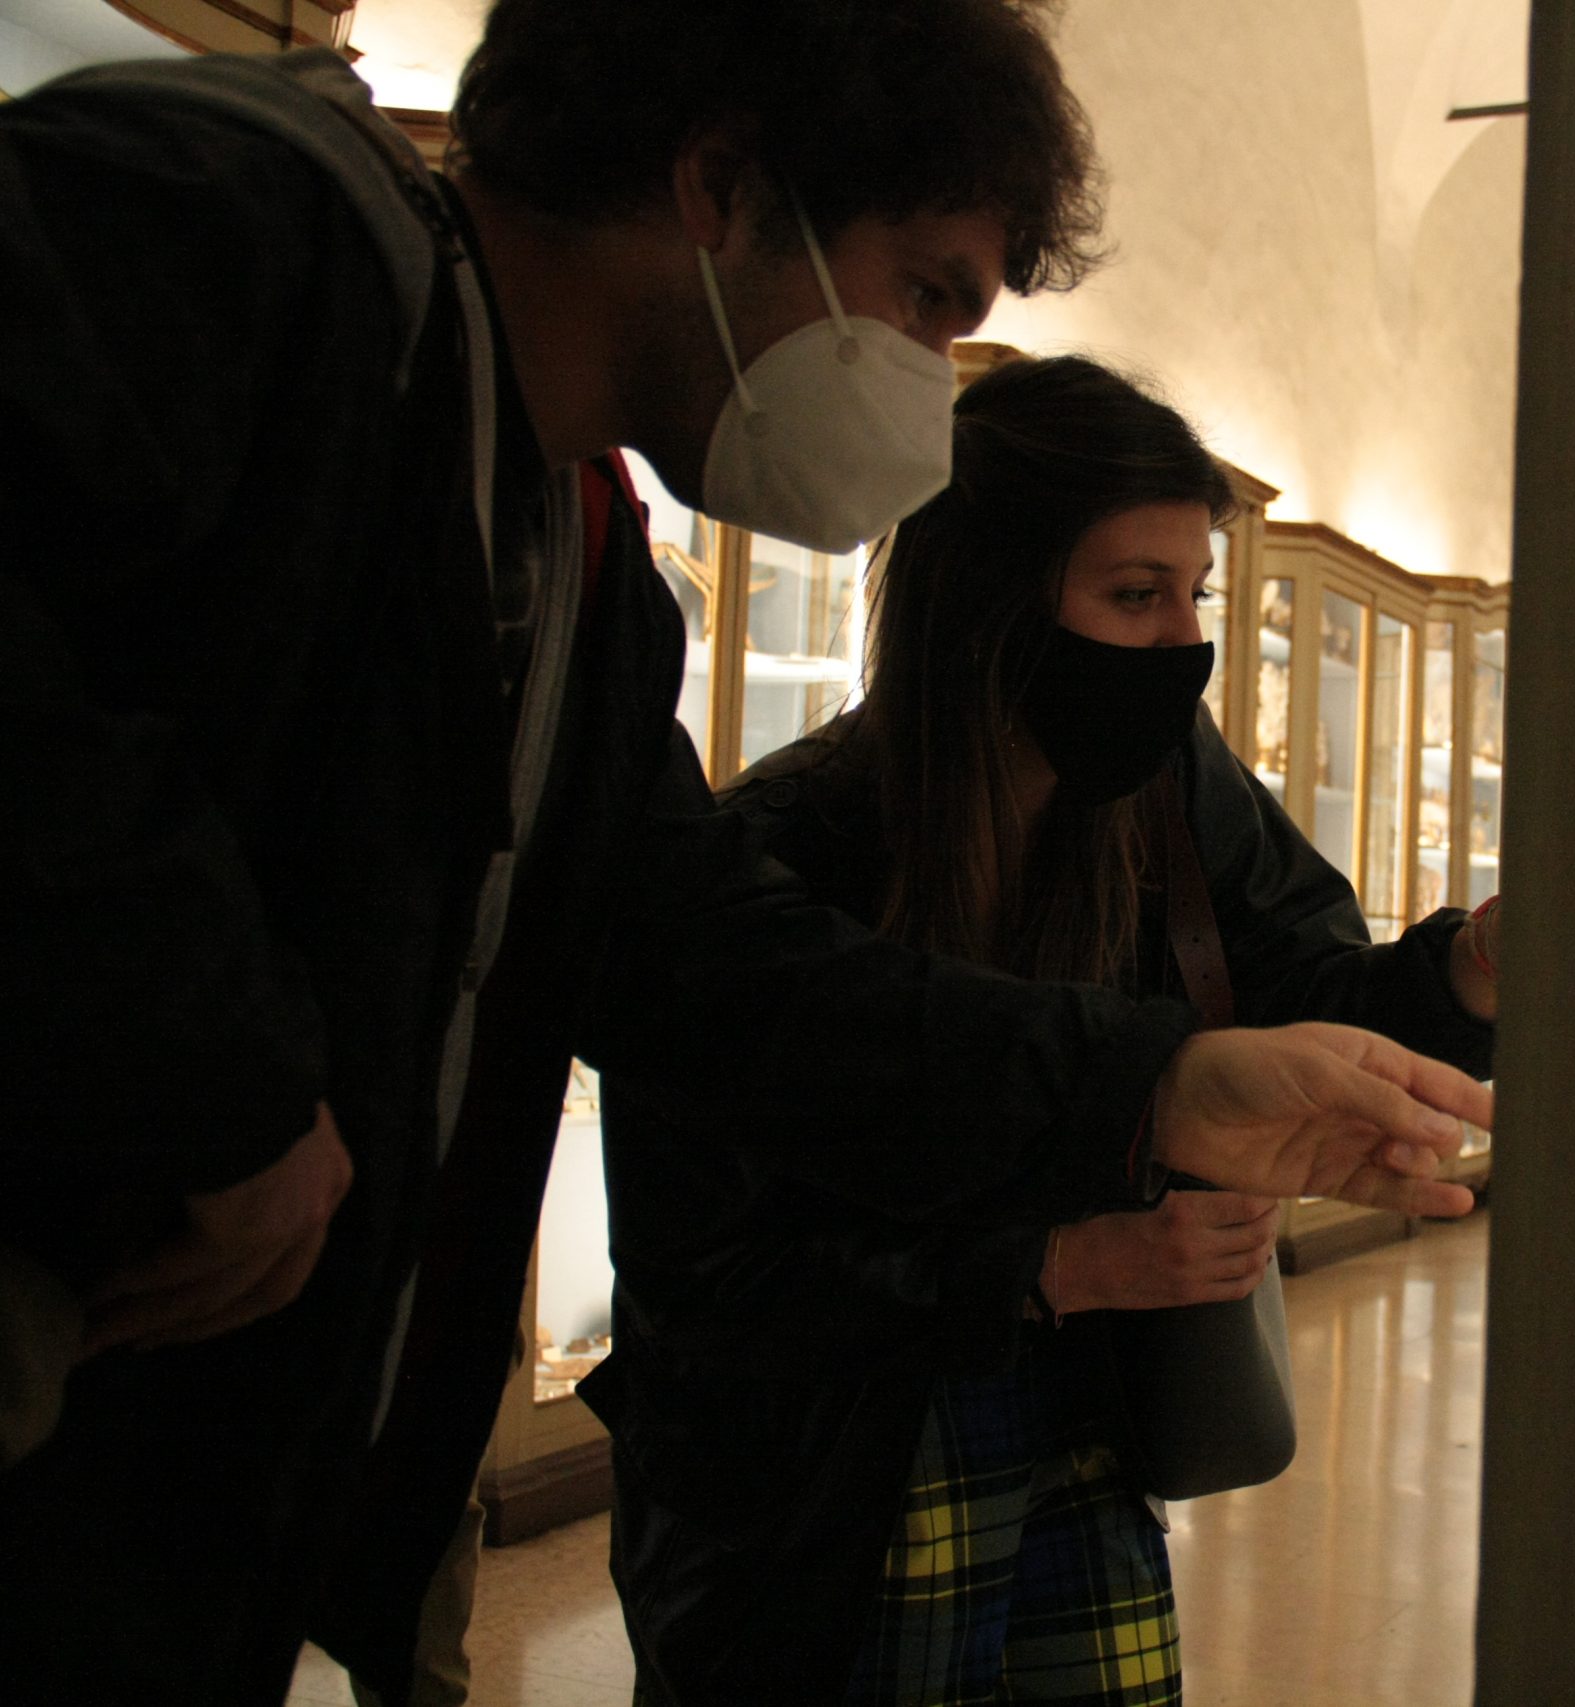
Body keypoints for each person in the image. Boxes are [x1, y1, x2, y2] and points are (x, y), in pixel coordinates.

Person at [0, 6, 1487, 1703]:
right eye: (924, 296)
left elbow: (727, 980)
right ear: (722, 184)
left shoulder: (581, 568)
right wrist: (225, 1090)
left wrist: (1154, 1088)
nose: (921, 380)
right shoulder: (243, 222)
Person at [595, 354, 1502, 1704]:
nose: (1182, 642)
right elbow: (709, 1265)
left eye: (1196, 594)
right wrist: (1053, 1265)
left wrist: (1469, 969)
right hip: (835, 1467)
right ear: (989, 604)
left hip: (1090, 1412)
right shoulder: (780, 853)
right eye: (1135, 595)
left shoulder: (1164, 792)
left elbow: (1300, 998)